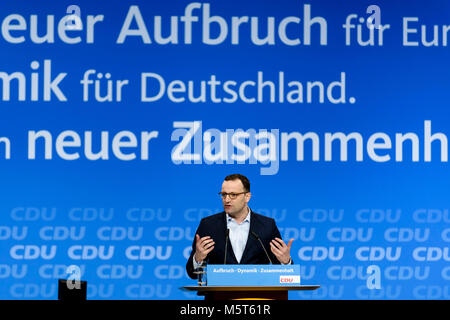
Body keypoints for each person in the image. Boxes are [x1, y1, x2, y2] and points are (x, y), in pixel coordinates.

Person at [186, 173, 293, 279]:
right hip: (219, 295)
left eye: (233, 195)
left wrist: (285, 261)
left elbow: (284, 274)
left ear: (247, 197)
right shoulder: (208, 225)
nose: (227, 199)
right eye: (224, 194)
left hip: (257, 295)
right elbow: (192, 273)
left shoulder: (267, 225)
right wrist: (198, 259)